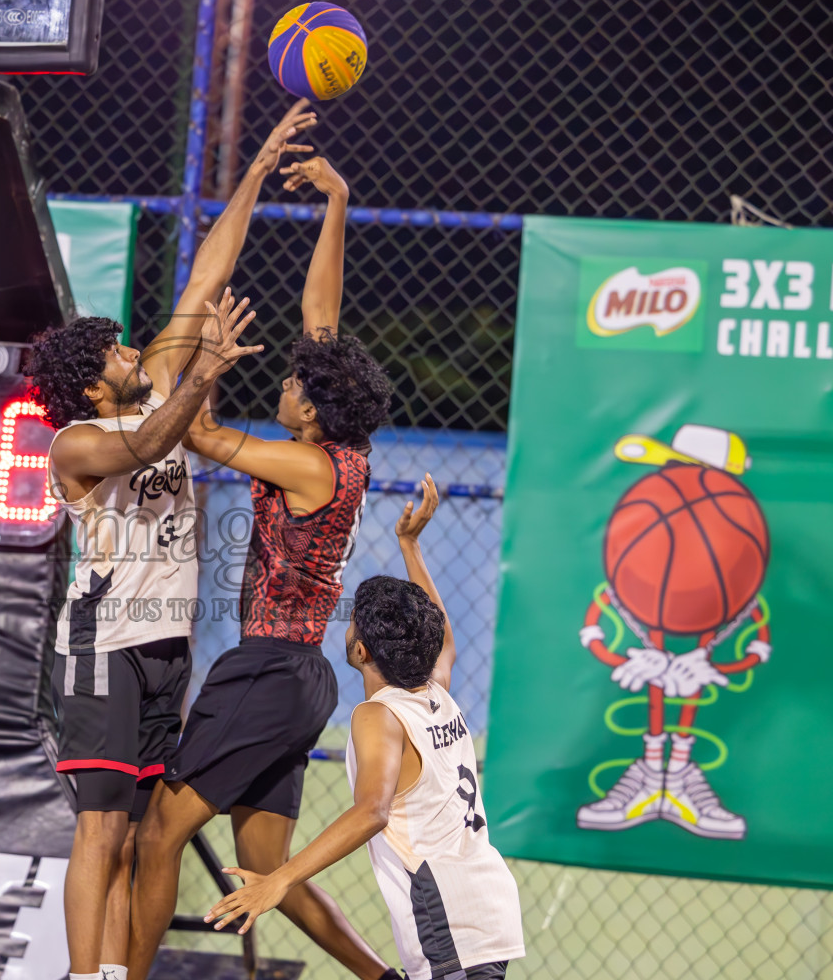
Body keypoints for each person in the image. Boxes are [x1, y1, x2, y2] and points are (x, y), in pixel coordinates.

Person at [27, 100, 318, 980]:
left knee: (133, 840)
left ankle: (118, 971)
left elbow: (204, 275)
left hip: (167, 645)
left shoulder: (154, 381)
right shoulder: (75, 443)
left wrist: (260, 169)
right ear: (90, 383)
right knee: (101, 827)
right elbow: (153, 444)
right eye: (113, 350)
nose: (128, 348)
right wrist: (208, 372)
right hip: (105, 642)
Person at [127, 155, 399, 980]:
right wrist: (338, 203)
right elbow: (324, 316)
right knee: (266, 871)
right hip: (303, 675)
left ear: (311, 411)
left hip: (267, 668)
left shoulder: (308, 466)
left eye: (290, 383)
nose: (284, 381)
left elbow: (198, 437)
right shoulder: (342, 448)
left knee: (157, 835)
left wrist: (206, 363)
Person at [202, 476, 527, 980]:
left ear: (360, 652)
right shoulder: (436, 689)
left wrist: (279, 881)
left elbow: (372, 811)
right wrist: (410, 544)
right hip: (485, 901)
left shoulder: (378, 714)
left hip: (447, 917)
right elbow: (440, 632)